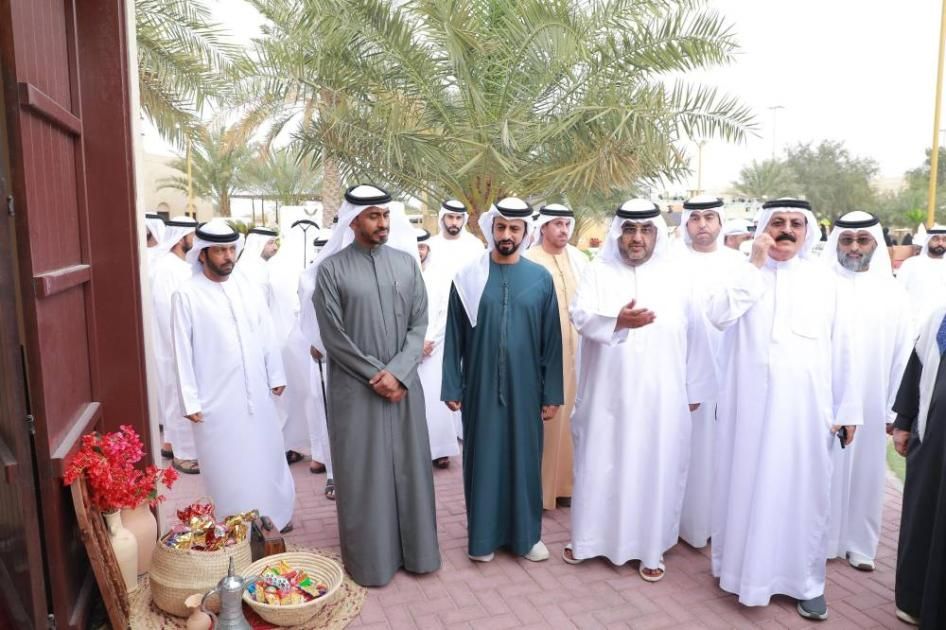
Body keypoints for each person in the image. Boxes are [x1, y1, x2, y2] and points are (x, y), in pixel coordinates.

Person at [706, 199, 861, 621]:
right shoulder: (741, 272)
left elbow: (845, 348)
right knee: (744, 486)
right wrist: (755, 266)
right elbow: (718, 316)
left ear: (807, 231)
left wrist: (848, 409)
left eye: (795, 223)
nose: (786, 230)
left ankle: (806, 584)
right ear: (763, 228)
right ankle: (738, 574)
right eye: (777, 222)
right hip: (747, 411)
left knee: (803, 494)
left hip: (804, 415)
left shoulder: (825, 281)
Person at [565, 199, 714, 581]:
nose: (637, 238)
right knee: (600, 463)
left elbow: (697, 334)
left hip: (661, 396)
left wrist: (694, 388)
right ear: (618, 232)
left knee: (655, 466)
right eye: (629, 230)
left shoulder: (677, 275)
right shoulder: (598, 271)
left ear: (656, 235)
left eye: (645, 230)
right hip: (607, 394)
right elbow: (579, 315)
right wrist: (617, 321)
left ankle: (650, 549)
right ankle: (589, 541)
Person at [312, 185, 440, 586]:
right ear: (353, 221)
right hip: (357, 390)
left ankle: (418, 554)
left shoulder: (406, 264)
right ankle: (372, 562)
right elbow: (333, 337)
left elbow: (419, 323)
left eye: (385, 215)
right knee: (364, 475)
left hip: (404, 387)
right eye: (373, 216)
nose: (382, 223)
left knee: (411, 469)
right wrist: (378, 376)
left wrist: (398, 373)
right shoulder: (331, 271)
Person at [443, 197, 563, 563]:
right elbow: (454, 335)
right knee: (483, 461)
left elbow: (551, 342)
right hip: (479, 387)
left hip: (527, 389)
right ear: (491, 229)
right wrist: (452, 384)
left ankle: (527, 538)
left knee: (525, 460)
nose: (506, 235)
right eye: (501, 227)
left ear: (525, 232)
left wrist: (551, 392)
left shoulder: (540, 279)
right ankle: (482, 539)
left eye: (514, 228)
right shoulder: (468, 278)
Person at [171, 219, 295, 531]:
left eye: (231, 249)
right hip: (215, 400)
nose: (228, 256)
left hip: (257, 394)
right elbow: (181, 352)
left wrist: (276, 374)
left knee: (266, 456)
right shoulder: (187, 294)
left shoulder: (247, 288)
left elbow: (265, 332)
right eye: (220, 250)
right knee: (227, 466)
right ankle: (235, 527)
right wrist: (190, 400)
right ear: (202, 254)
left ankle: (275, 516)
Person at [820, 212, 912, 572]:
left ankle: (860, 544)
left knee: (867, 474)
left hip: (873, 399)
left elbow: (903, 353)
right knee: (823, 471)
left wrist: (894, 410)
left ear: (875, 244)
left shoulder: (893, 293)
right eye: (847, 240)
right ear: (836, 243)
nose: (854, 247)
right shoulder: (821, 286)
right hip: (826, 399)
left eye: (863, 240)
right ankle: (823, 542)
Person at [672, 196, 745, 550]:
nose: (703, 224)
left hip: (731, 374)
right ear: (686, 223)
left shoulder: (738, 264)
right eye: (696, 218)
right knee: (687, 452)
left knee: (723, 452)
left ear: (720, 223)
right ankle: (683, 525)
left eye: (710, 217)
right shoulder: (671, 262)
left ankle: (717, 525)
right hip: (682, 372)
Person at [524, 203, 588, 510]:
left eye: (567, 224)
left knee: (572, 418)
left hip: (577, 354)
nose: (564, 230)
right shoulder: (529, 259)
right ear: (544, 227)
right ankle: (539, 489)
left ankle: (566, 486)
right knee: (546, 420)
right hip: (542, 354)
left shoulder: (578, 259)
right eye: (558, 224)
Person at [890, 306, 946, 627]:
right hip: (933, 443)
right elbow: (919, 366)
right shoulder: (940, 317)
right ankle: (914, 600)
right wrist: (904, 420)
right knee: (923, 516)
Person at [150, 215, 199, 474]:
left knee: (174, 397)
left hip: (180, 344)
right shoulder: (166, 268)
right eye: (193, 236)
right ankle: (184, 455)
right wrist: (181, 345)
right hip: (172, 346)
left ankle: (170, 444)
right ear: (182, 239)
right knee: (177, 398)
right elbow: (164, 311)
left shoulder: (179, 265)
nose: (196, 240)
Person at [416, 228, 461, 469]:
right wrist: (414, 344)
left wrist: (429, 341)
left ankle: (440, 450)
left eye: (422, 247)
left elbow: (446, 311)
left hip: (434, 348)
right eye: (415, 247)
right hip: (407, 350)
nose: (419, 252)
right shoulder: (399, 275)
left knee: (435, 400)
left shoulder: (439, 276)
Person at [897, 225, 946, 330]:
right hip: (914, 325)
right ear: (928, 240)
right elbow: (898, 294)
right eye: (936, 239)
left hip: (941, 327)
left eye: (944, 240)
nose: (940, 243)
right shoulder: (911, 264)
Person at [427, 199, 485, 282]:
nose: (454, 222)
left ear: (464, 220)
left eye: (458, 218)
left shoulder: (475, 245)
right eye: (450, 217)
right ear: (442, 218)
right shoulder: (430, 245)